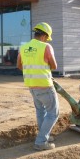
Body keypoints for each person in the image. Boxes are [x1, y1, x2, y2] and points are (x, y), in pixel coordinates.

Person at [16, 22, 59, 151]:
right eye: (47, 37)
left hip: (31, 86)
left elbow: (19, 66)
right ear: (44, 35)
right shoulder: (45, 47)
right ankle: (41, 141)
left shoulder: (23, 47)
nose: (46, 40)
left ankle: (43, 134)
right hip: (45, 85)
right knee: (53, 113)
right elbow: (54, 66)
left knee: (41, 111)